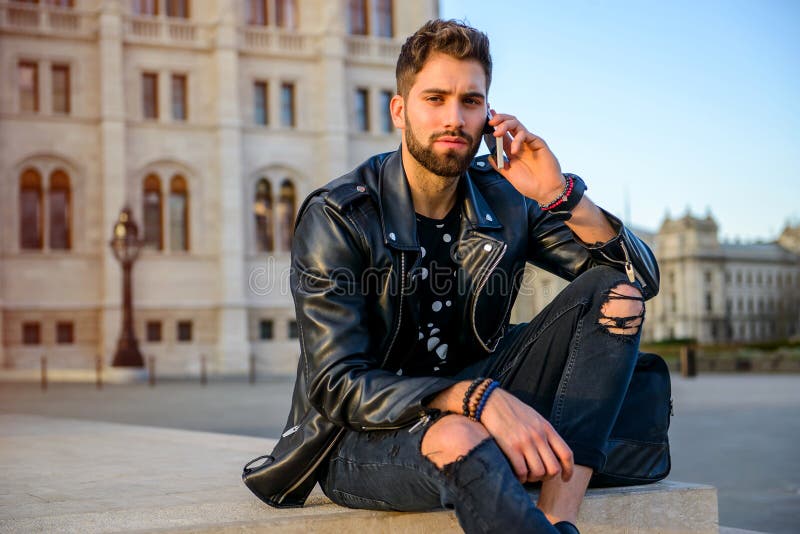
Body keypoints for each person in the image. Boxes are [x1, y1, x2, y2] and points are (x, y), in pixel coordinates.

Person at [243, 19, 660, 534]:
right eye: (435, 98)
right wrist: (473, 398)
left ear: (488, 115)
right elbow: (336, 383)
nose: (453, 118)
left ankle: (558, 516)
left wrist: (561, 195)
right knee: (459, 436)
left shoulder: (507, 198)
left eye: (470, 101)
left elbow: (636, 281)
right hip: (362, 435)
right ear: (400, 110)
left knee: (612, 296)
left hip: (485, 396)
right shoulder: (340, 215)